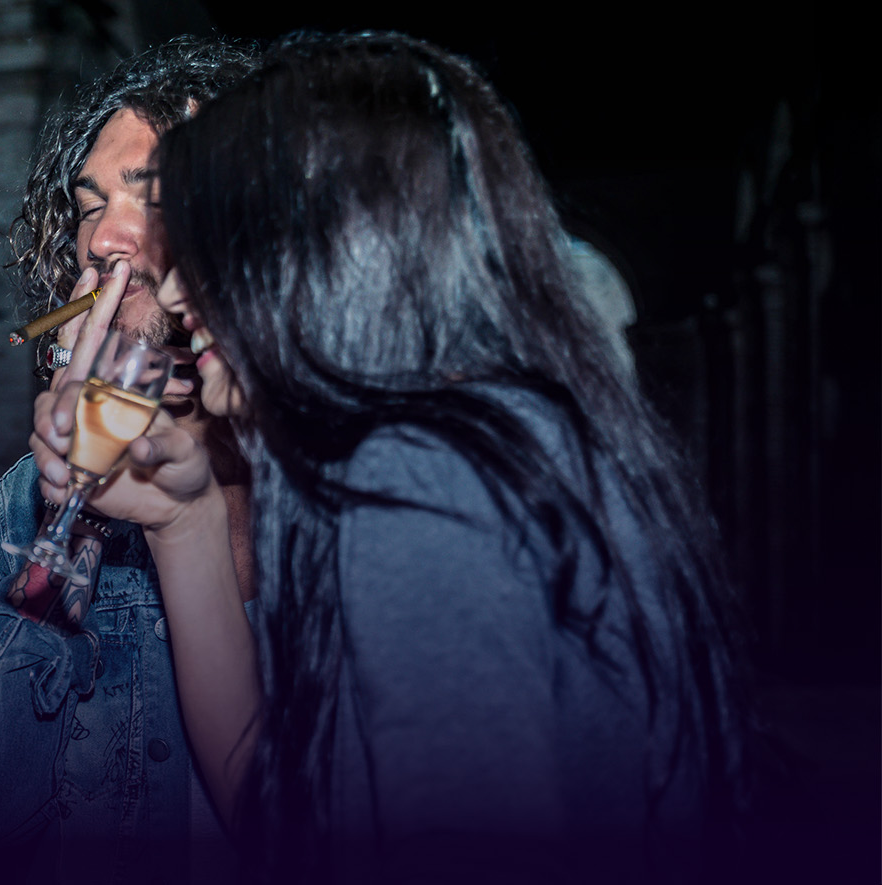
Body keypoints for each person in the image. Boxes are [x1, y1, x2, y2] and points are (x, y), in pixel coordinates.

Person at [36, 31, 747, 882]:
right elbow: (287, 814)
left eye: (222, 238)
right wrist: (183, 522)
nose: (182, 290)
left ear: (333, 243)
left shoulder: (420, 476)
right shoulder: (488, 441)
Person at [0, 36, 260, 883]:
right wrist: (76, 518)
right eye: (89, 205)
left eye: (155, 196)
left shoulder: (349, 485)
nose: (104, 237)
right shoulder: (30, 495)